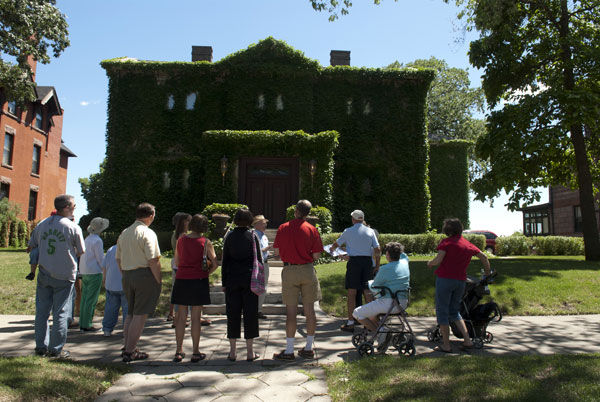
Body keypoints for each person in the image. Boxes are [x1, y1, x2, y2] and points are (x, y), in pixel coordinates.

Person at [28, 194, 85, 358]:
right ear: (66, 207)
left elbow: (32, 245)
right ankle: (55, 349)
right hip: (65, 275)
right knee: (61, 313)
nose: (75, 207)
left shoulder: (42, 224)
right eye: (73, 205)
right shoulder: (73, 227)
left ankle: (40, 346)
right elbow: (81, 250)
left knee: (42, 312)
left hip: (45, 272)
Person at [427, 218, 491, 353]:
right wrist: (487, 274)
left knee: (442, 311)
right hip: (461, 281)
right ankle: (467, 340)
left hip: (445, 280)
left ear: (448, 230)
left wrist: (430, 263)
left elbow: (438, 260)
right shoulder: (467, 244)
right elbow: (484, 257)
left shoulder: (446, 243)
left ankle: (446, 345)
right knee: (455, 311)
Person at [272, 199, 324, 360]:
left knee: (291, 312)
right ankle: (308, 347)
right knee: (310, 311)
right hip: (307, 269)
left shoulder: (283, 227)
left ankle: (289, 350)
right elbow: (316, 255)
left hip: (289, 270)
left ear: (296, 211)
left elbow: (276, 253)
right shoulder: (312, 230)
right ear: (308, 213)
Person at [116, 203, 162, 362]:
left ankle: (127, 346)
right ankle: (130, 352)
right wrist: (158, 279)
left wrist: (125, 273)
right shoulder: (148, 233)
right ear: (151, 215)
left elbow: (118, 258)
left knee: (130, 313)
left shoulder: (124, 233)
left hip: (127, 274)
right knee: (140, 315)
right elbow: (153, 259)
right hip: (144, 275)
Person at [171, 214, 218, 362]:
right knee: (196, 318)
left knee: (180, 317)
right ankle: (196, 351)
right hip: (198, 280)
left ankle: (179, 350)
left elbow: (177, 262)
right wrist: (206, 273)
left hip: (182, 279)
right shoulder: (206, 242)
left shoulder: (181, 240)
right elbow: (215, 263)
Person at [221, 208, 262, 362]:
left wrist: (224, 282)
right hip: (250, 279)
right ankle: (250, 352)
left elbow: (225, 261)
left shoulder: (229, 237)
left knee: (232, 314)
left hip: (232, 279)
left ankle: (232, 351)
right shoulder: (253, 236)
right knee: (250, 314)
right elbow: (258, 259)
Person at [330, 210, 381, 332]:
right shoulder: (370, 231)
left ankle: (351, 322)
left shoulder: (348, 231)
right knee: (367, 292)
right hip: (367, 262)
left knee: (352, 293)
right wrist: (377, 266)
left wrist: (331, 249)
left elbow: (336, 244)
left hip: (354, 263)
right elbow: (377, 249)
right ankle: (371, 322)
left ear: (353, 219)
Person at [352, 242, 409, 348]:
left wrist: (369, 283)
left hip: (388, 304)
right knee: (372, 313)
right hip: (403, 303)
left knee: (357, 313)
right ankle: (382, 331)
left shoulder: (385, 269)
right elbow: (404, 256)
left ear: (387, 254)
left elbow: (374, 286)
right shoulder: (405, 264)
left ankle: (381, 332)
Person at [79, 217, 109, 332]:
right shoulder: (97, 241)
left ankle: (83, 322)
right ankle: (87, 324)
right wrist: (106, 268)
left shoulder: (87, 238)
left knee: (85, 298)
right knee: (91, 299)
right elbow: (100, 258)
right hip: (95, 271)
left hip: (84, 271)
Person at [168, 212, 191, 324]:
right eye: (188, 221)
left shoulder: (177, 234)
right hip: (181, 265)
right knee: (181, 292)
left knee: (177, 291)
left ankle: (176, 317)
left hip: (177, 264)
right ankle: (179, 319)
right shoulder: (182, 236)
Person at [101, 244, 128, 338]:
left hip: (111, 282)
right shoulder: (130, 248)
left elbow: (104, 266)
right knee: (127, 309)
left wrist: (104, 279)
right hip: (125, 283)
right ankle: (127, 330)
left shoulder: (111, 249)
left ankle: (107, 329)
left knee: (110, 308)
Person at [252, 215, 271, 319]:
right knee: (256, 286)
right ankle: (254, 309)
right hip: (257, 263)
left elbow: (264, 251)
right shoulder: (253, 235)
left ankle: (259, 309)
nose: (265, 225)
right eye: (263, 223)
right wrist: (267, 248)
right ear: (257, 224)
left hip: (265, 262)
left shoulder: (264, 235)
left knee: (264, 287)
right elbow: (256, 250)